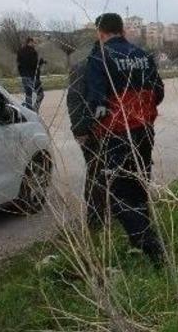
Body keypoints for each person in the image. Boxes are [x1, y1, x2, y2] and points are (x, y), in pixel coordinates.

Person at [85, 13, 165, 263]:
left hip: (117, 133)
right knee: (139, 184)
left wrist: (96, 126)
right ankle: (140, 242)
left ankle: (151, 246)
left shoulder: (99, 57)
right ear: (123, 30)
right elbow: (159, 92)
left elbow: (96, 102)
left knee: (118, 192)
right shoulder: (142, 55)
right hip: (144, 130)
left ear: (100, 33)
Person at [66, 49, 105, 230]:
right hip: (92, 130)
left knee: (106, 172)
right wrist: (80, 129)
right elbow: (74, 99)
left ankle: (107, 212)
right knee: (96, 172)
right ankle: (95, 219)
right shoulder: (84, 67)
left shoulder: (110, 64)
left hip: (110, 129)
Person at [16, 37, 45, 111]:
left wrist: (22, 73)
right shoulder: (32, 51)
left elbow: (19, 63)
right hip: (33, 77)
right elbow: (33, 64)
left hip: (25, 76)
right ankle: (35, 109)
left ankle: (28, 111)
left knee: (28, 95)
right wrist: (41, 62)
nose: (35, 44)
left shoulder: (20, 51)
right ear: (30, 42)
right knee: (40, 94)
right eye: (34, 43)